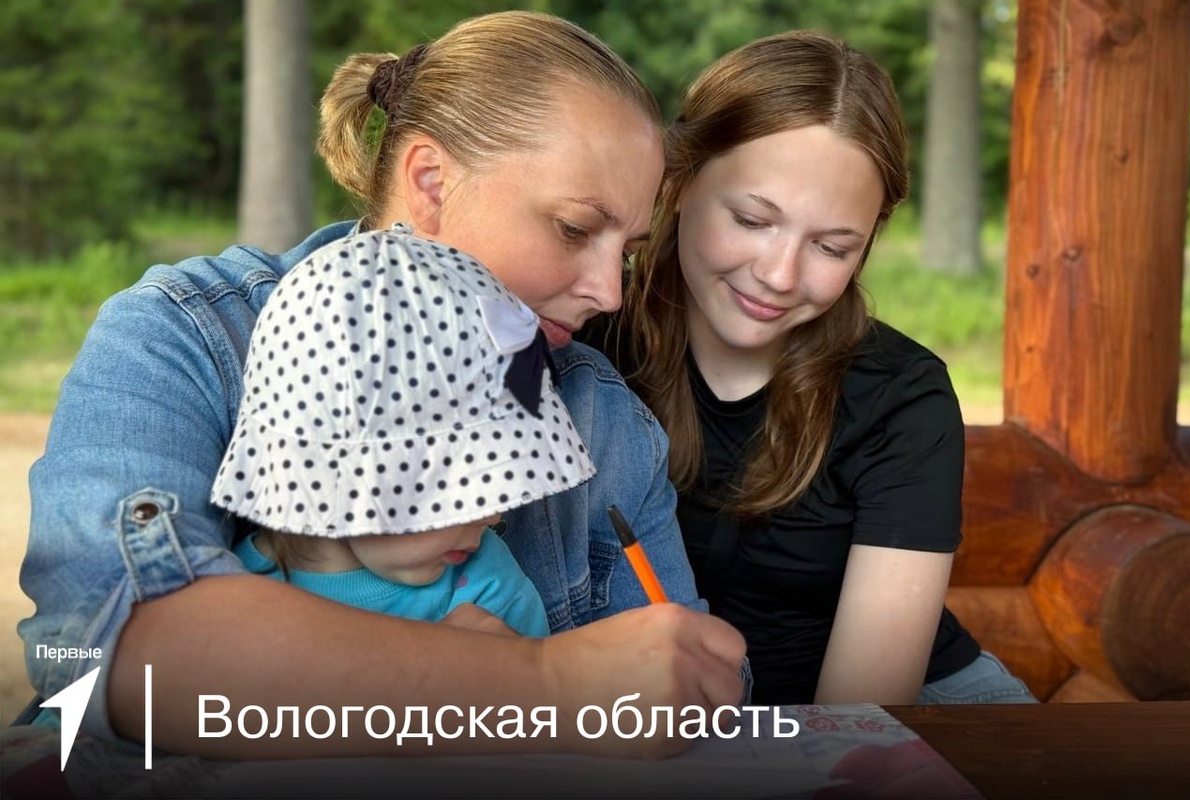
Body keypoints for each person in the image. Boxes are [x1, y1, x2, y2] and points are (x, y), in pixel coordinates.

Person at [18, 10, 745, 762]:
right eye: (572, 228)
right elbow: (110, 652)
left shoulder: (605, 419)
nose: (609, 292)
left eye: (627, 252)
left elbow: (685, 699)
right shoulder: (186, 335)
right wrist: (541, 684)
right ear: (430, 182)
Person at [584, 30, 1035, 706]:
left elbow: (862, 714)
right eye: (752, 219)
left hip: (902, 713)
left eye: (831, 246)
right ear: (677, 183)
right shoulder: (587, 329)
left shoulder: (903, 396)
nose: (779, 275)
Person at [217, 225, 603, 638]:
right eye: (459, 476)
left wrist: (509, 667)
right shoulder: (231, 599)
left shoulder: (487, 591)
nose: (494, 513)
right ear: (333, 469)